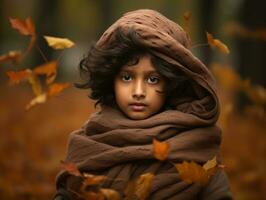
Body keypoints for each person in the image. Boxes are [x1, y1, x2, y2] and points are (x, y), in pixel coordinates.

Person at [54, 9, 233, 200]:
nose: (138, 92)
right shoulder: (88, 139)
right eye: (127, 77)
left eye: (153, 79)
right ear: (110, 78)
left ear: (172, 82)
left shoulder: (196, 143)